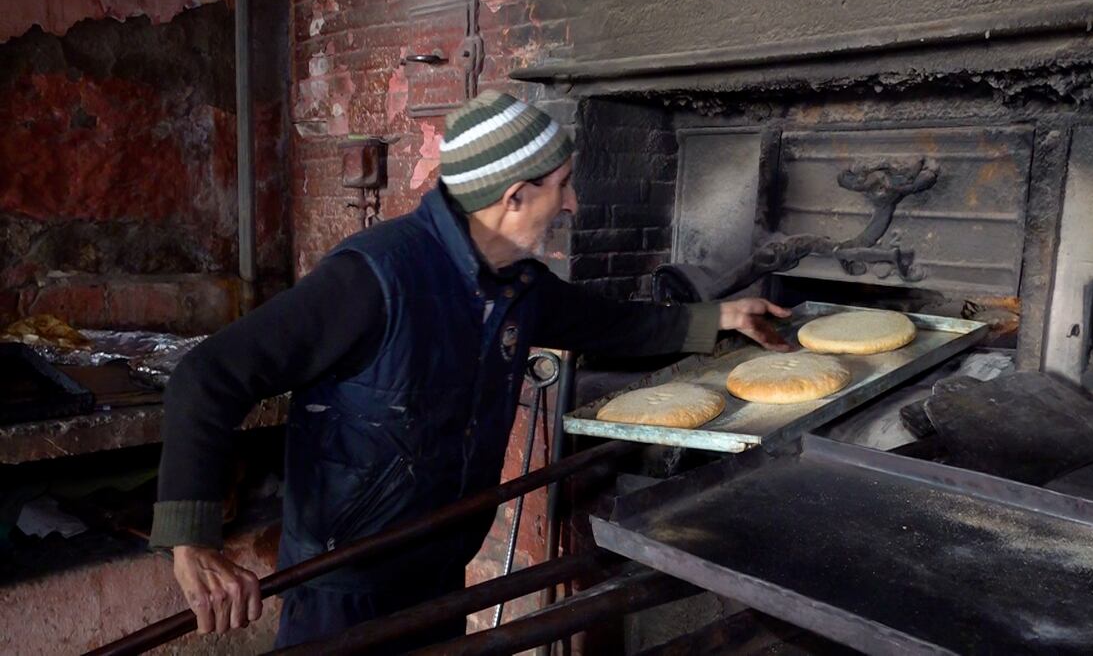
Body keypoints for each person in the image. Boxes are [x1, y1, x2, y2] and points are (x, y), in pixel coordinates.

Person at [150, 91, 792, 649]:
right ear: (515, 197)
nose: (572, 202)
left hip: (439, 566)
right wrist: (193, 542)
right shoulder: (376, 278)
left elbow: (612, 324)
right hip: (343, 584)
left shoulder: (515, 283)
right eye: (563, 184)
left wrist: (718, 319)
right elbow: (208, 376)